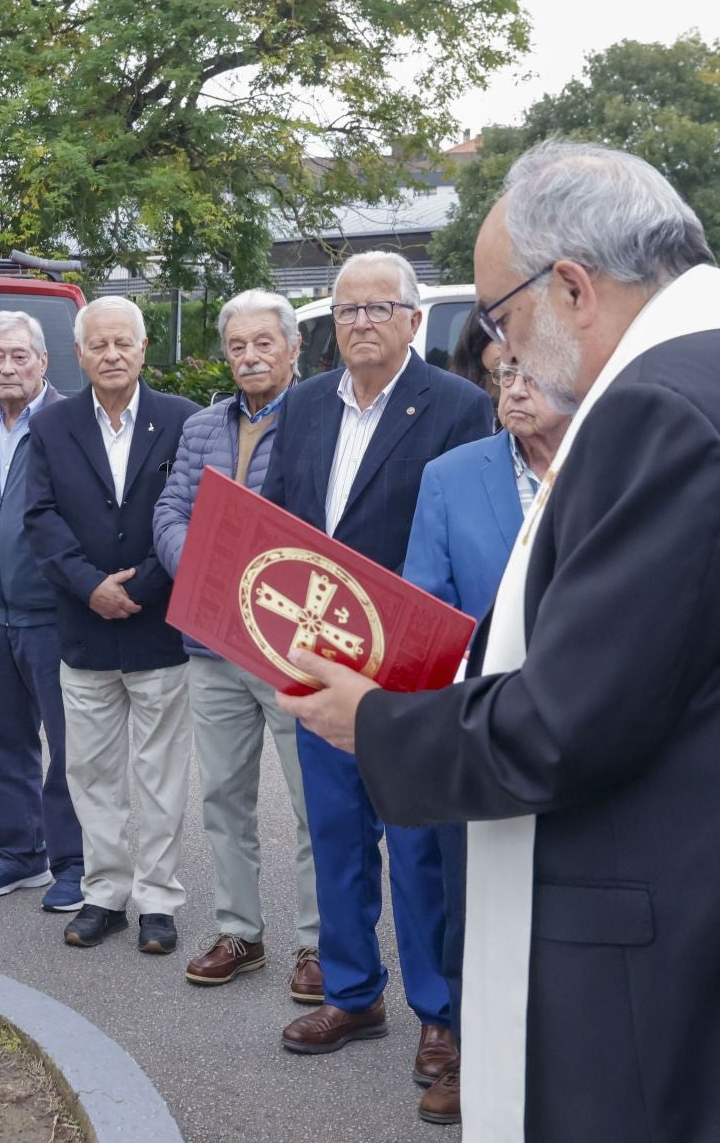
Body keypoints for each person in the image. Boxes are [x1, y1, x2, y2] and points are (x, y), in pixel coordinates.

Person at [280, 141, 720, 1141]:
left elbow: (568, 720)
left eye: (501, 317)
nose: (507, 353)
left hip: (702, 959)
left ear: (571, 284)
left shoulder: (664, 403)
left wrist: (376, 722)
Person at [260, 251, 491, 1078]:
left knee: (421, 844)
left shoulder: (460, 408)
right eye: (347, 309)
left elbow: (464, 532)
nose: (359, 322)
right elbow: (285, 521)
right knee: (335, 836)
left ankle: (441, 1012)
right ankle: (353, 993)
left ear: (413, 319)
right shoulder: (305, 405)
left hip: (411, 669)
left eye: (378, 308)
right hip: (319, 659)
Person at [394, 359, 570, 1125]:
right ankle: (470, 1052)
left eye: (533, 375)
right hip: (483, 724)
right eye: (504, 376)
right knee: (474, 901)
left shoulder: (617, 463)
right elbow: (425, 601)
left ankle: (565, 1062)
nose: (515, 391)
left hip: (593, 724)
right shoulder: (452, 475)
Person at [151, 290, 320, 1003]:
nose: (249, 356)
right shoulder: (202, 426)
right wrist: (203, 564)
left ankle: (321, 944)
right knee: (224, 795)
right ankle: (239, 931)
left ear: (291, 348)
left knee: (315, 804)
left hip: (292, 648)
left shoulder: (321, 419)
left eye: (263, 343)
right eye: (237, 346)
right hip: (213, 639)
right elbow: (171, 510)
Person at [25, 297, 198, 952]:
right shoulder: (53, 426)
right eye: (99, 345)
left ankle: (158, 900)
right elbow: (40, 519)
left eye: (123, 342)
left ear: (144, 347)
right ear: (80, 354)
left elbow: (191, 513)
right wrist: (88, 586)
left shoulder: (181, 421)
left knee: (160, 774)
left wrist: (144, 585)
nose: (112, 354)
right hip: (84, 626)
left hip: (158, 625)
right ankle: (105, 894)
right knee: (91, 773)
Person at [0, 310, 83, 911]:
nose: (7, 367)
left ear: (44, 361)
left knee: (68, 745)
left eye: (19, 356)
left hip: (53, 614)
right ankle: (17, 854)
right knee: (5, 740)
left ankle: (74, 863)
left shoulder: (69, 425)